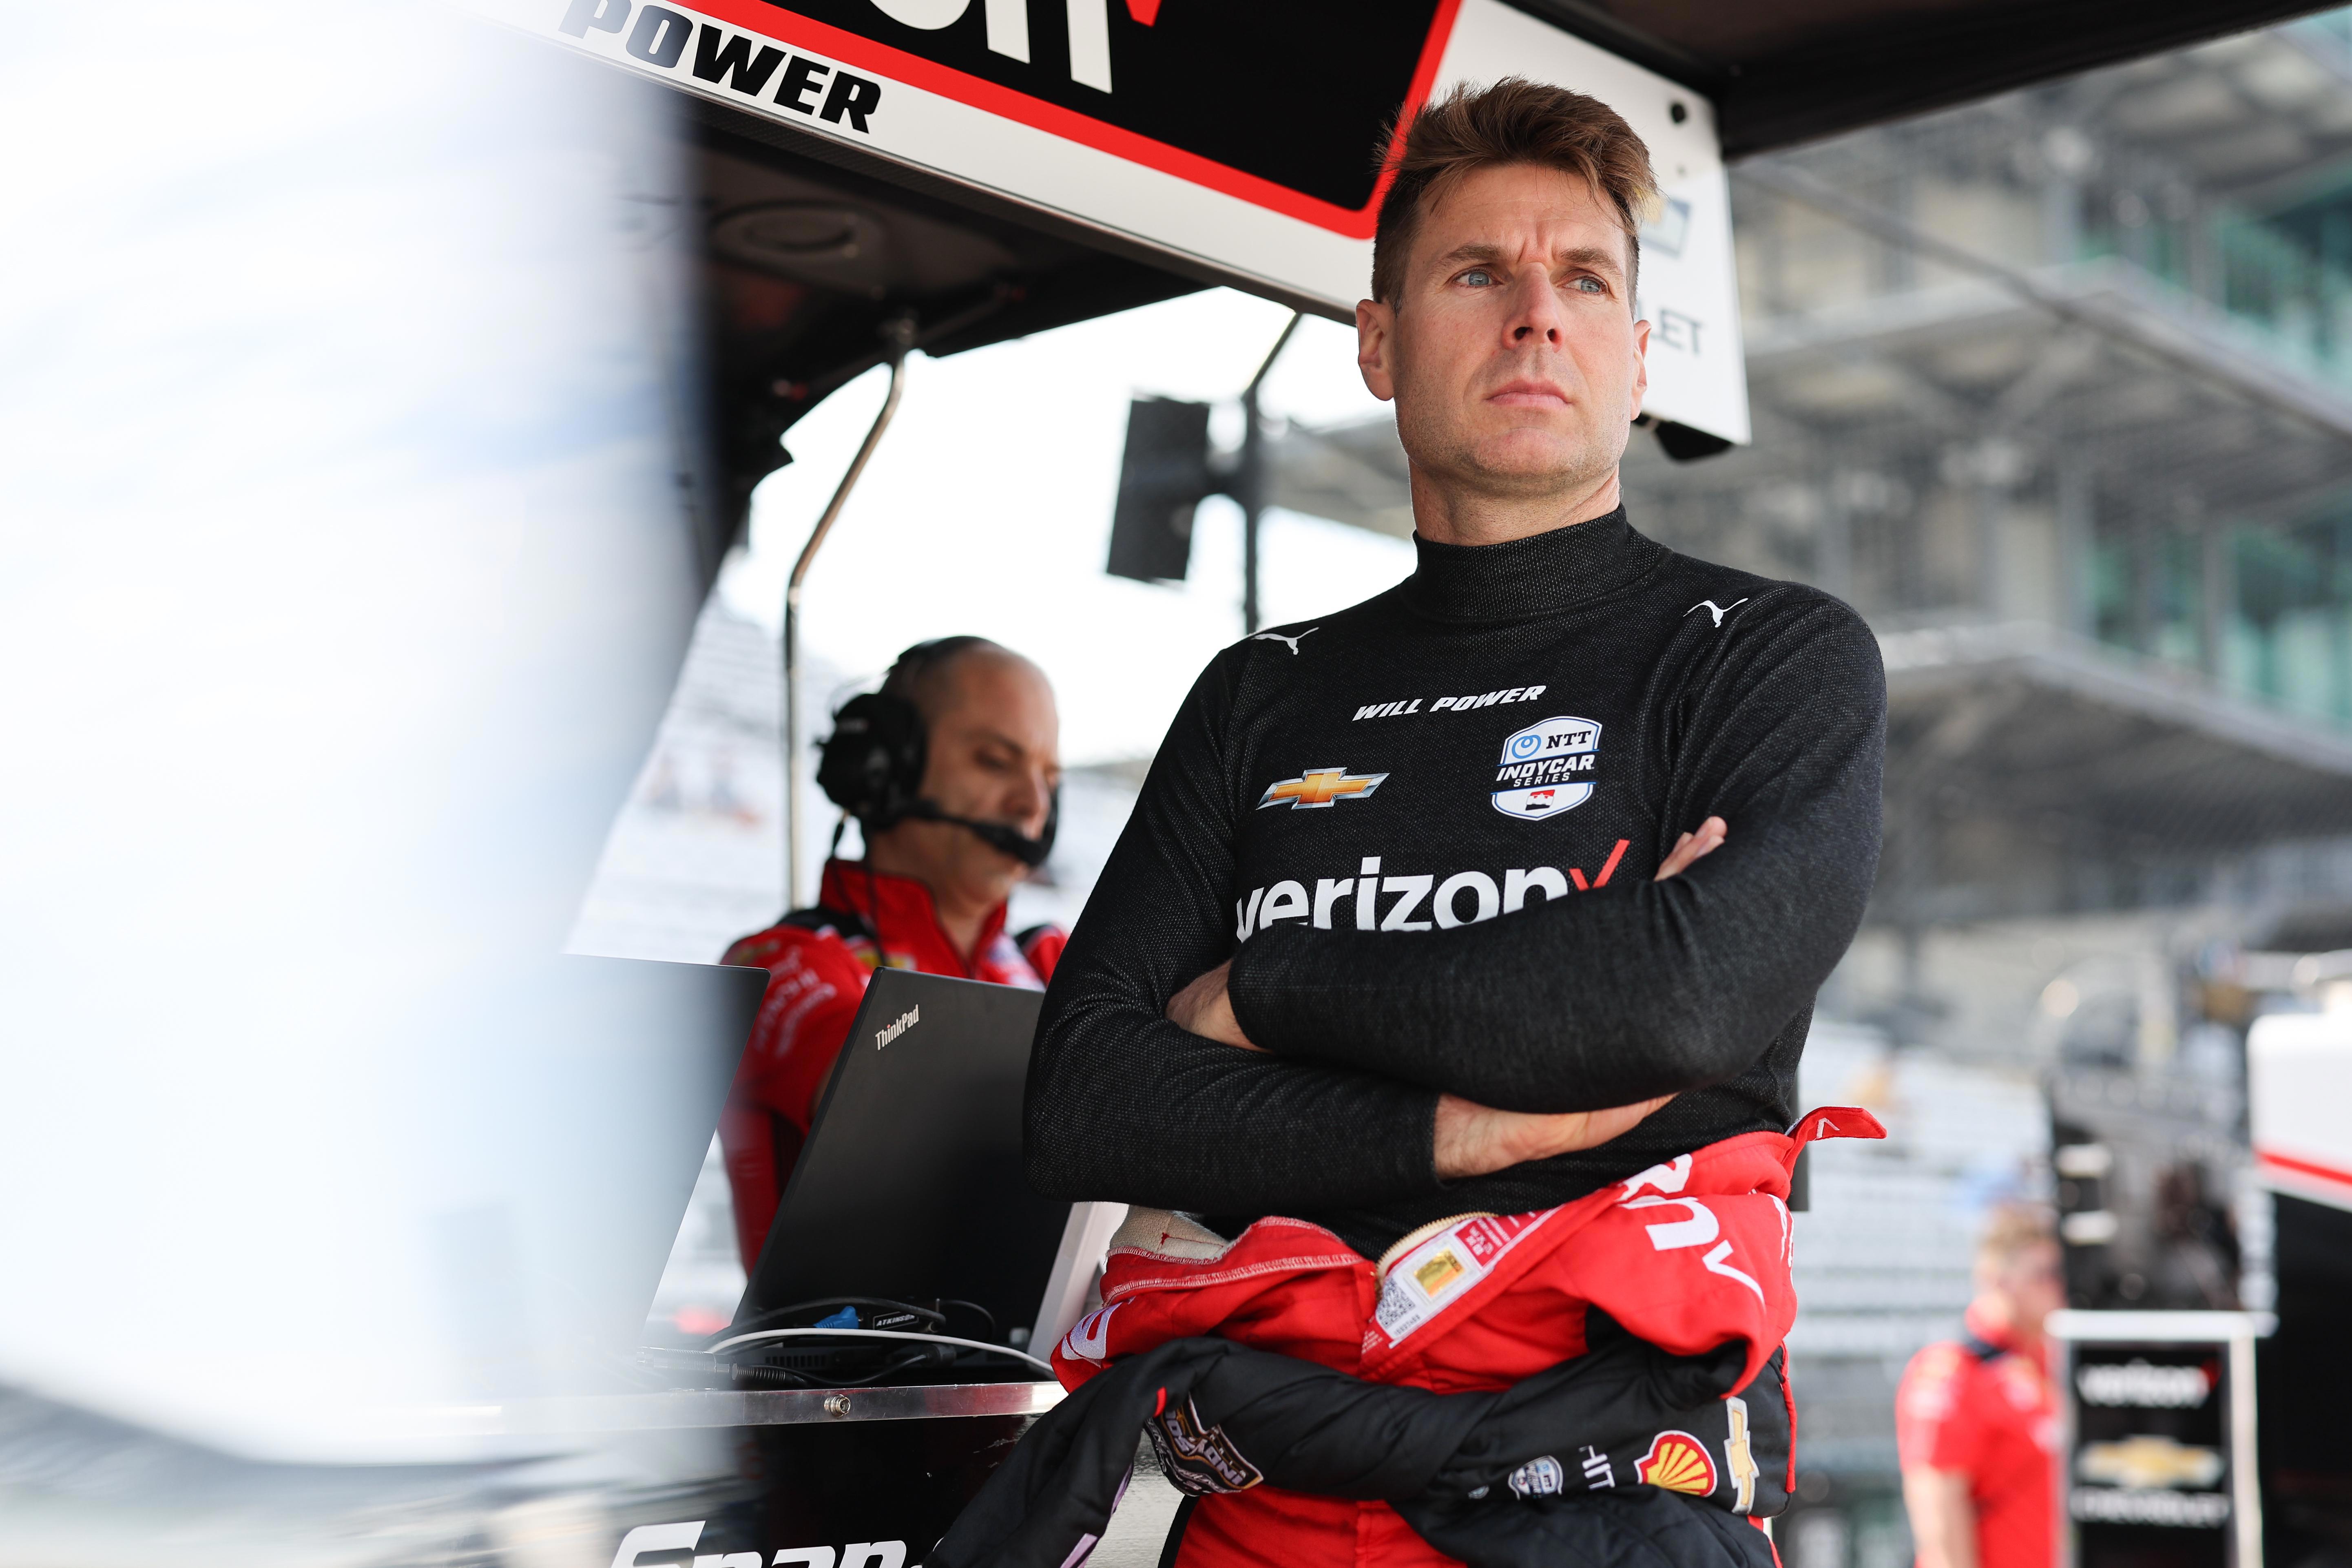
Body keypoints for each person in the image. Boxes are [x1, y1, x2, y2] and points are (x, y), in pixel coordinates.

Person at [1022, 77, 1887, 1566]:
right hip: (1255, 1509)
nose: (1537, 314)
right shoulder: (1259, 691)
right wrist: (1469, 1119)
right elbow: (1087, 1092)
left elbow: (1679, 1000)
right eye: (1478, 271)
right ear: (1379, 341)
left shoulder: (1764, 650)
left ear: (1634, 353)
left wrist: (1262, 996)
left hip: (1603, 1511)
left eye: (1585, 278)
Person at [718, 636, 1064, 1272]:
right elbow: (897, 1116)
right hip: (836, 1369)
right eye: (994, 761)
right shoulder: (780, 962)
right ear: (880, 767)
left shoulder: (1051, 958)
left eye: (1049, 779)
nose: (1033, 806)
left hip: (1049, 1365)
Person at [1897, 1206, 2065, 1568]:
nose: (2059, 1287)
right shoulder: (1952, 1373)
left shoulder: (2053, 1365)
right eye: (2045, 1274)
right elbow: (1938, 1513)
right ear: (1997, 1278)